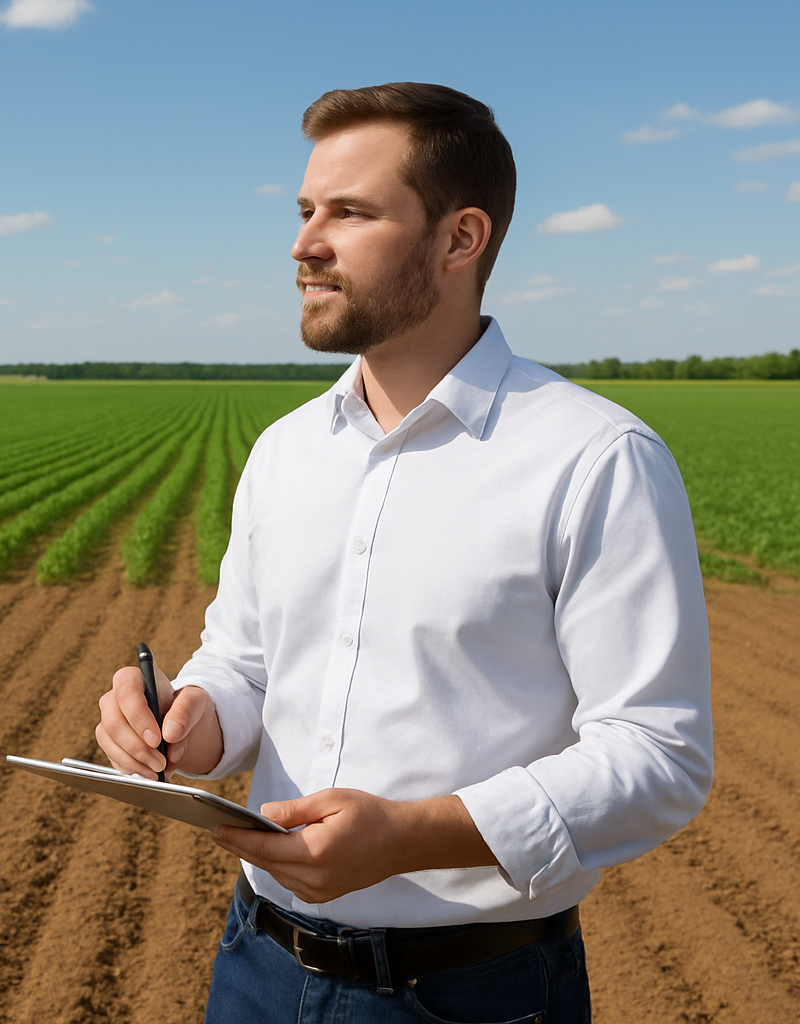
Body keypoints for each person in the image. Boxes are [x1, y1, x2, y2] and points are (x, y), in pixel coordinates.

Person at [95, 82, 712, 1024]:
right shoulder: (286, 451)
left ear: (460, 239)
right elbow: (248, 663)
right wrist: (193, 719)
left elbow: (658, 755)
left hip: (471, 993)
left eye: (349, 212)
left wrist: (414, 837)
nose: (304, 244)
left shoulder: (594, 457)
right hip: (256, 963)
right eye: (306, 211)